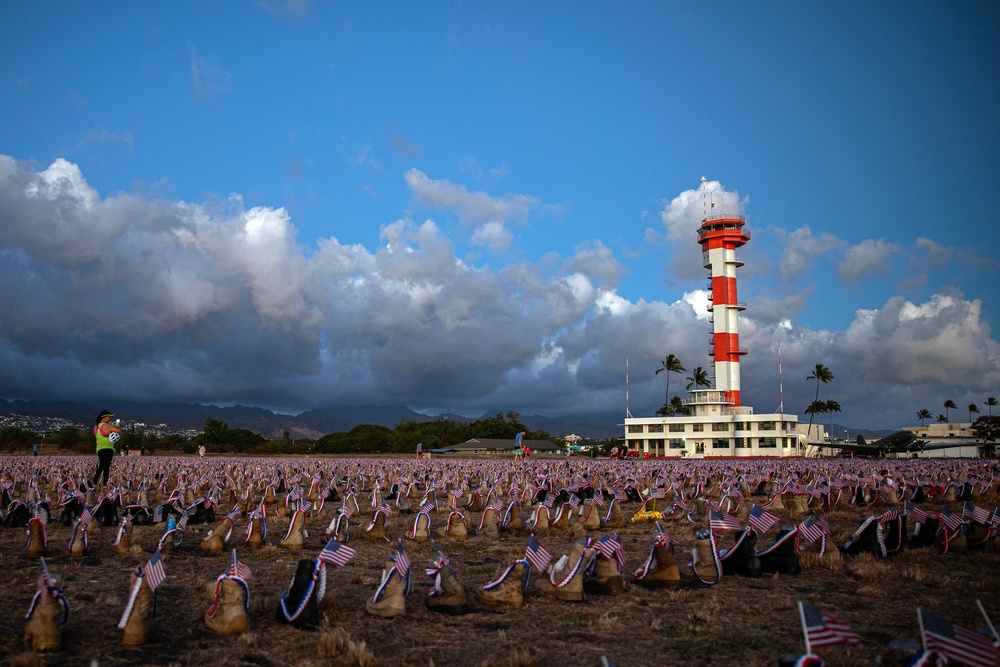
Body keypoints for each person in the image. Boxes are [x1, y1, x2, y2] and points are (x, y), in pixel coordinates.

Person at [92, 410, 122, 487]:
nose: (109, 418)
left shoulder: (96, 427)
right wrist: (118, 425)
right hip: (108, 448)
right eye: (108, 416)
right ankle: (105, 484)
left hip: (99, 448)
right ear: (104, 418)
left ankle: (94, 482)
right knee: (106, 467)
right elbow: (119, 431)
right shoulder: (106, 426)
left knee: (101, 465)